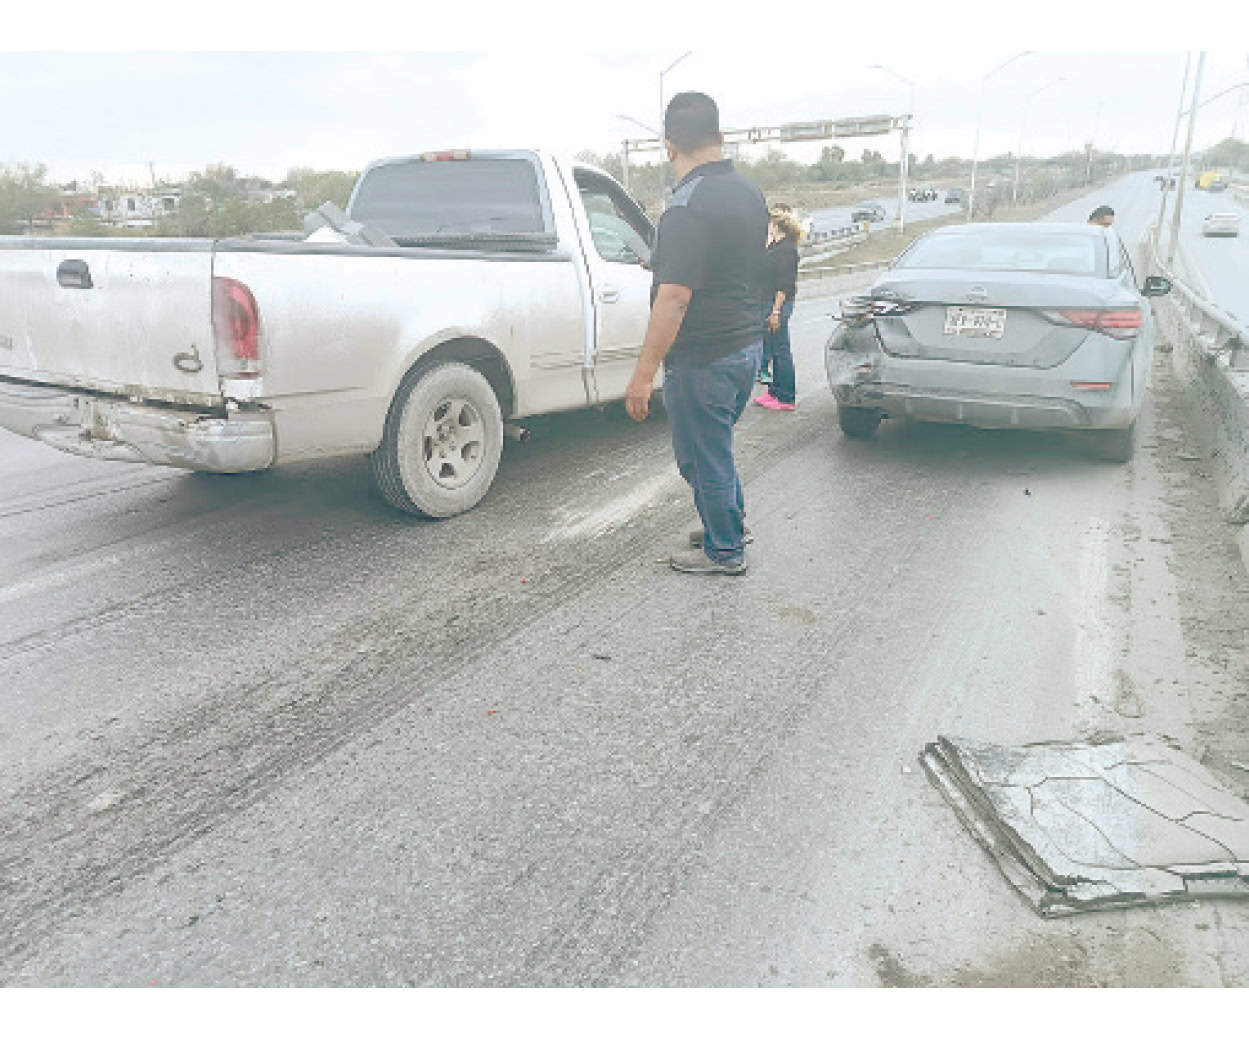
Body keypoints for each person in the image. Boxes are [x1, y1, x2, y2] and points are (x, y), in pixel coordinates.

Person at [624, 91, 768, 576]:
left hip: (704, 355)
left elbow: (675, 298)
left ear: (669, 147)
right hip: (745, 344)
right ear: (719, 137)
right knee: (716, 448)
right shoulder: (749, 192)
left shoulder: (686, 206)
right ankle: (731, 523)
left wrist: (643, 376)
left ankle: (725, 550)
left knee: (700, 458)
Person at [753, 207, 803, 412]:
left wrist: (776, 312)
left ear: (776, 225)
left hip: (777, 304)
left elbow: (784, 284)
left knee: (781, 350)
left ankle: (786, 396)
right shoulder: (777, 246)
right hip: (769, 302)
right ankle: (775, 391)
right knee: (774, 348)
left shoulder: (786, 250)